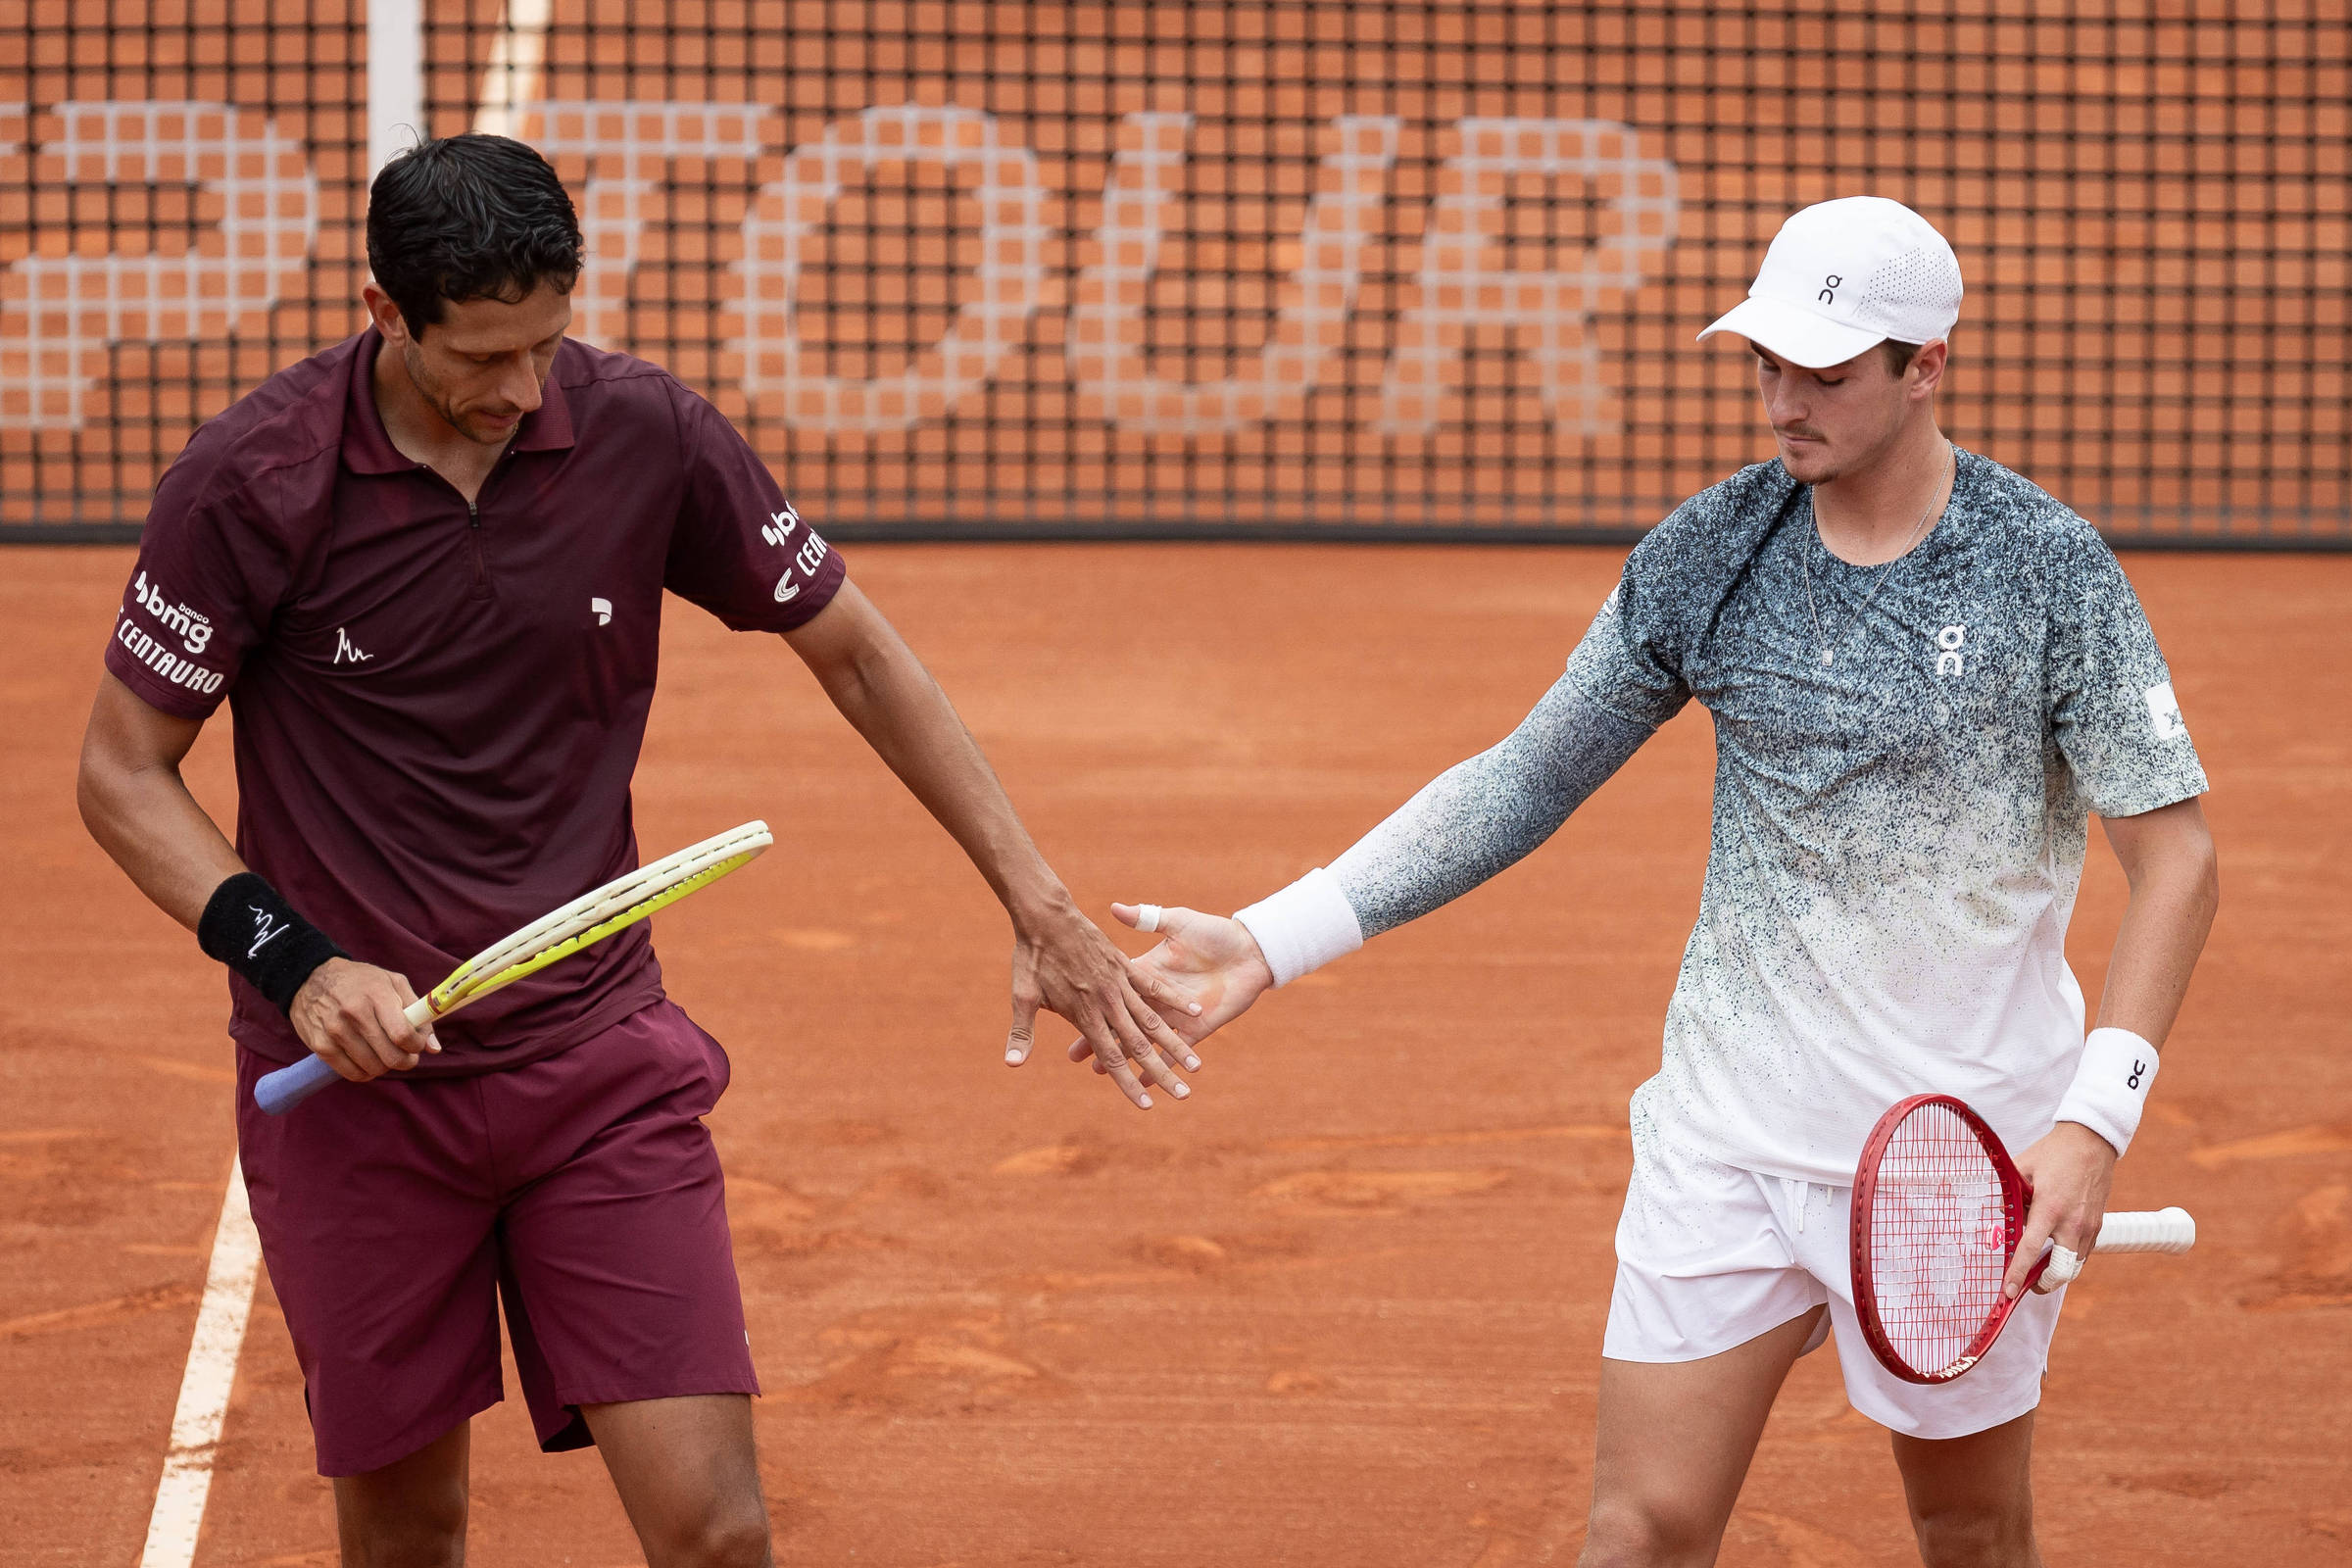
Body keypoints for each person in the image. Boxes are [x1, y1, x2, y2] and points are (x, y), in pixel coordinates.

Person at [76, 134, 1197, 1568]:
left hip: (595, 1062)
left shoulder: (642, 432)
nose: (520, 390)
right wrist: (296, 966)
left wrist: (1036, 899)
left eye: (546, 345)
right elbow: (121, 773)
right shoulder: (252, 482)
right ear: (386, 315)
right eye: (483, 358)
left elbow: (854, 655)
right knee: (410, 1539)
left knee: (718, 1532)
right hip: (364, 1094)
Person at [1091, 197, 2219, 1567]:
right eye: (1767, 364)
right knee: (1637, 1533)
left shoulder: (2048, 571)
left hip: (1962, 1159)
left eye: (1827, 373)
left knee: (1974, 1536)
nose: (1785, 402)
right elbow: (1526, 777)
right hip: (1730, 1144)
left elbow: (2177, 859)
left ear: (1928, 365)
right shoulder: (1712, 554)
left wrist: (2094, 1122)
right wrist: (1272, 938)